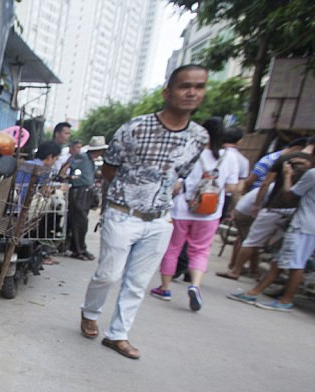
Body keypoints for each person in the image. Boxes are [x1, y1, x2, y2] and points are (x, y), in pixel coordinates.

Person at [79, 64, 209, 360]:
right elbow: (110, 168)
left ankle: (118, 335)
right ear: (168, 92)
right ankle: (90, 312)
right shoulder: (135, 128)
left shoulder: (199, 137)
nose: (191, 92)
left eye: (199, 87)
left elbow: (180, 174)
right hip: (123, 213)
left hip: (160, 220)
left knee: (137, 283)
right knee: (108, 274)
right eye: (184, 86)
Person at [150, 117, 240, 311]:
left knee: (173, 248)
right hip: (210, 212)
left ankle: (165, 288)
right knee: (200, 250)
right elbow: (232, 187)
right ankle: (195, 285)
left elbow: (174, 181)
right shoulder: (230, 157)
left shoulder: (190, 151)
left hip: (182, 208)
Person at [229, 166, 315, 311]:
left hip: (303, 225)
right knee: (280, 261)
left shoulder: (312, 174)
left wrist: (287, 175)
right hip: (308, 225)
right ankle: (254, 292)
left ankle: (285, 300)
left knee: (295, 264)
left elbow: (289, 195)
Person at [217, 151, 314, 281]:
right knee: (280, 251)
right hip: (294, 213)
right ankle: (255, 272)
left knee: (252, 241)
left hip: (277, 208)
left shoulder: (286, 161)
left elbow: (268, 184)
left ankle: (236, 270)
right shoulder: (308, 169)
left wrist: (258, 204)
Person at [65, 136, 106, 260]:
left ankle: (78, 248)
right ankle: (79, 250)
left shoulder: (89, 160)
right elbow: (70, 168)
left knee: (80, 222)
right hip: (80, 191)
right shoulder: (82, 157)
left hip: (86, 191)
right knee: (80, 222)